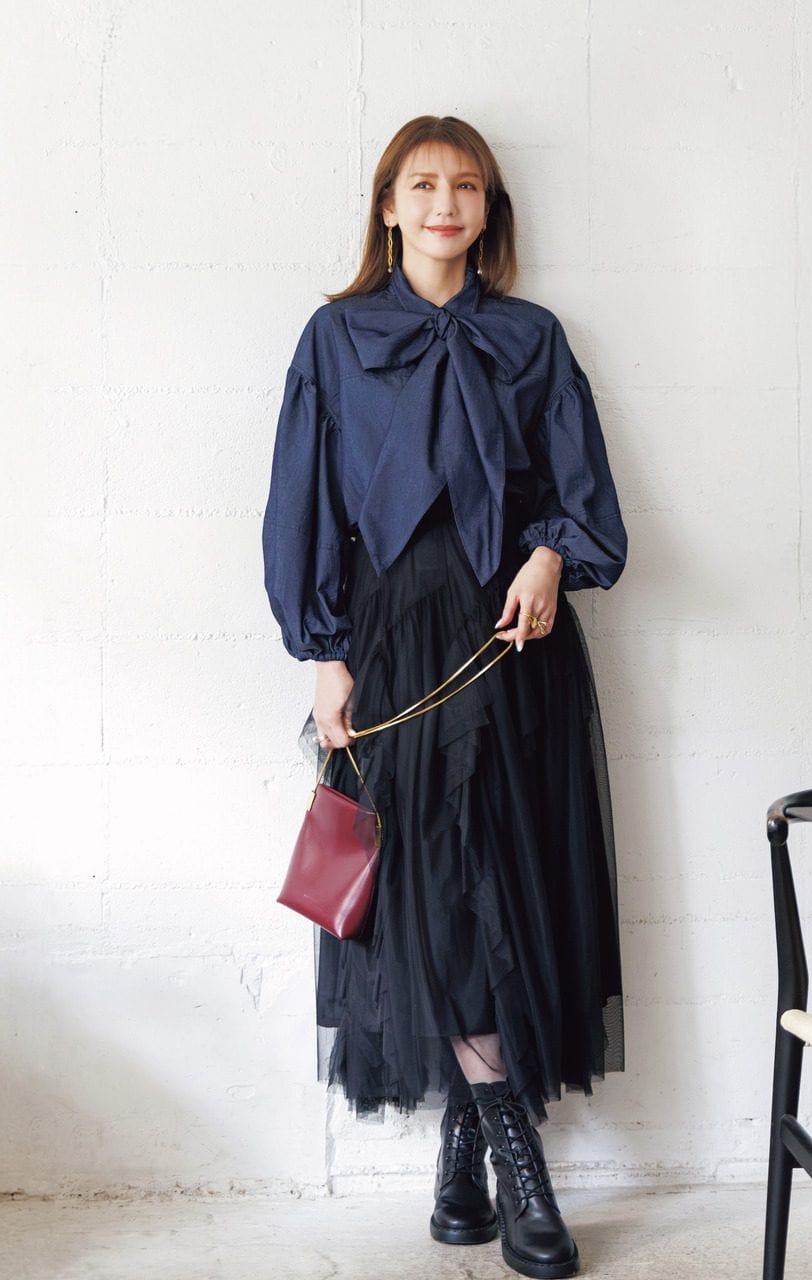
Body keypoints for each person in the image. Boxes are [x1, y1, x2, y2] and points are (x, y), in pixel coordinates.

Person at [262, 115, 627, 1280]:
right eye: (421, 185)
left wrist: (550, 554)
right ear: (388, 206)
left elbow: (580, 489)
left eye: (465, 186)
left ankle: (468, 1166)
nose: (444, 203)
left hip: (511, 642)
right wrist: (323, 653)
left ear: (488, 209)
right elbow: (303, 500)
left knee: (500, 891)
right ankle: (520, 1167)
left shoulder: (531, 336)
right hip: (392, 641)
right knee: (435, 888)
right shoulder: (335, 337)